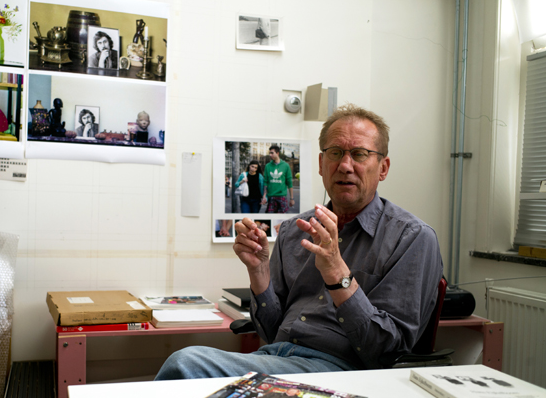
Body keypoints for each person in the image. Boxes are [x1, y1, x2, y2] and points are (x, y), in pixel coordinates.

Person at [155, 104, 442, 380]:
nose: (345, 165)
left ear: (383, 168)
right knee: (188, 375)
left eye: (360, 154)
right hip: (275, 359)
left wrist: (337, 274)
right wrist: (259, 272)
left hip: (342, 373)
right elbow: (270, 331)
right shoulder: (294, 230)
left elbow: (388, 351)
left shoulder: (412, 238)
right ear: (321, 164)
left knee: (185, 365)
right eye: (335, 153)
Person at [261, 145, 294, 213]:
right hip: (271, 197)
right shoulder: (267, 166)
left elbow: (289, 183)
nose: (270, 155)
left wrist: (292, 198)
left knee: (282, 218)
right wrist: (264, 196)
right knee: (269, 217)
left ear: (277, 153)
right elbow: (266, 182)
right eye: (269, 153)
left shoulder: (286, 165)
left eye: (272, 153)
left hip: (282, 196)